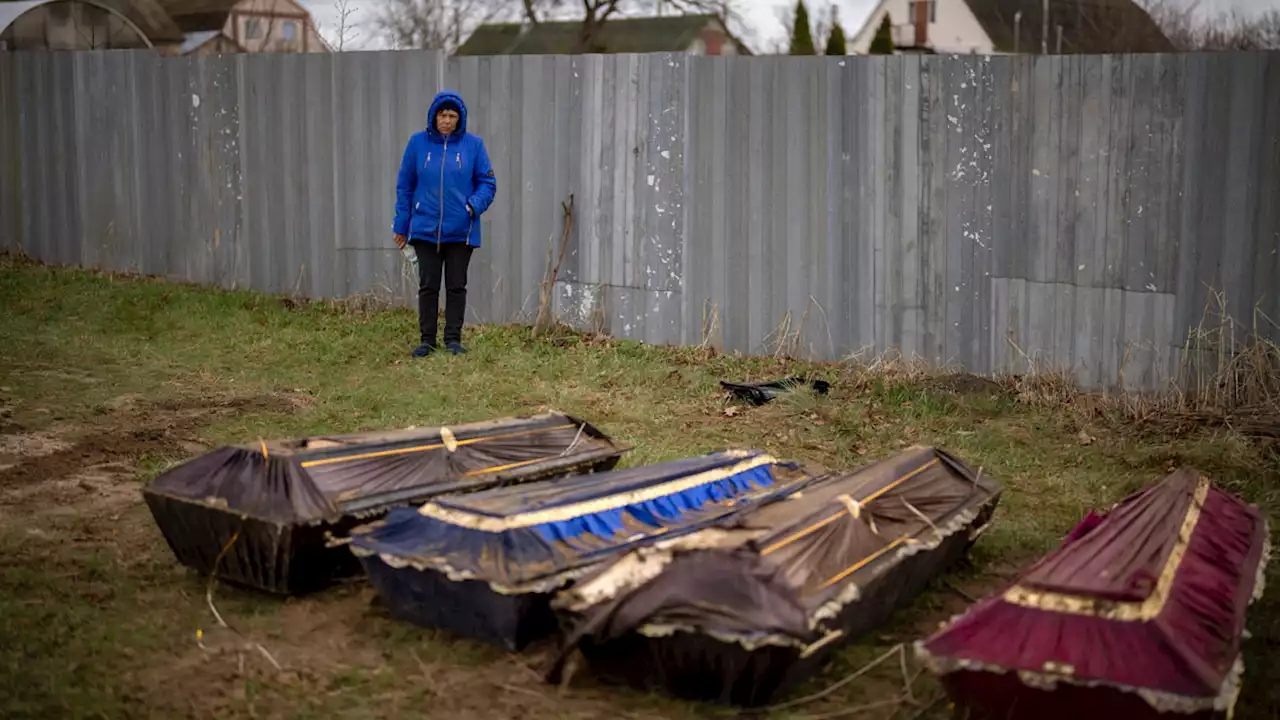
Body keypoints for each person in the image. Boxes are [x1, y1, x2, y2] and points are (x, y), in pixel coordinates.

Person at [393, 90, 497, 357]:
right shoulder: (417, 144)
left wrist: (472, 206)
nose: (447, 120)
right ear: (434, 116)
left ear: (459, 119)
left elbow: (487, 183)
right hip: (425, 229)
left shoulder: (474, 146)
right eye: (443, 115)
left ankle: (453, 340)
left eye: (452, 116)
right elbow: (405, 186)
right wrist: (401, 225)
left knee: (456, 286)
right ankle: (427, 340)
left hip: (461, 231)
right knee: (428, 286)